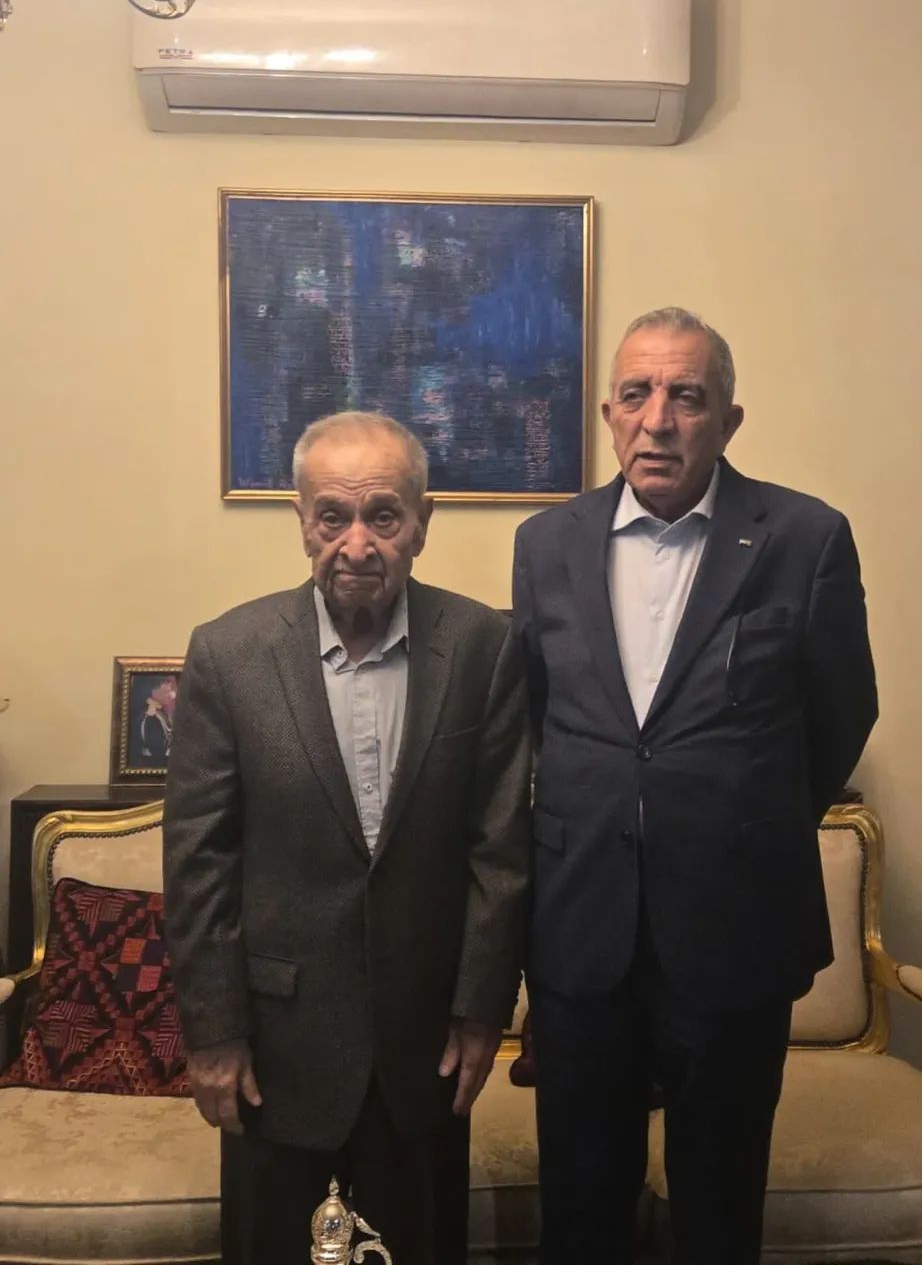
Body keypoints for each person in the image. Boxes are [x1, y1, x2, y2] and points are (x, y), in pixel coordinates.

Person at [512, 308, 878, 1264]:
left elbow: (844, 712)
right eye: (636, 394)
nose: (658, 420)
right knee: (580, 1203)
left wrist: (740, 822)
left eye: (687, 396)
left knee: (720, 1204)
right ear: (608, 413)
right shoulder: (545, 544)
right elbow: (533, 715)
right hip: (582, 922)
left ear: (728, 419)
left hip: (735, 922)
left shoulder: (805, 537)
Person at [164, 410, 531, 1265]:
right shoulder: (228, 655)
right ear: (302, 523)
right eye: (332, 516)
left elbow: (500, 847)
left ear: (422, 524)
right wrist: (212, 1033)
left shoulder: (482, 646)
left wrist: (483, 1010)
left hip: (424, 1048)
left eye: (383, 516)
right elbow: (199, 864)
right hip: (276, 1050)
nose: (356, 544)